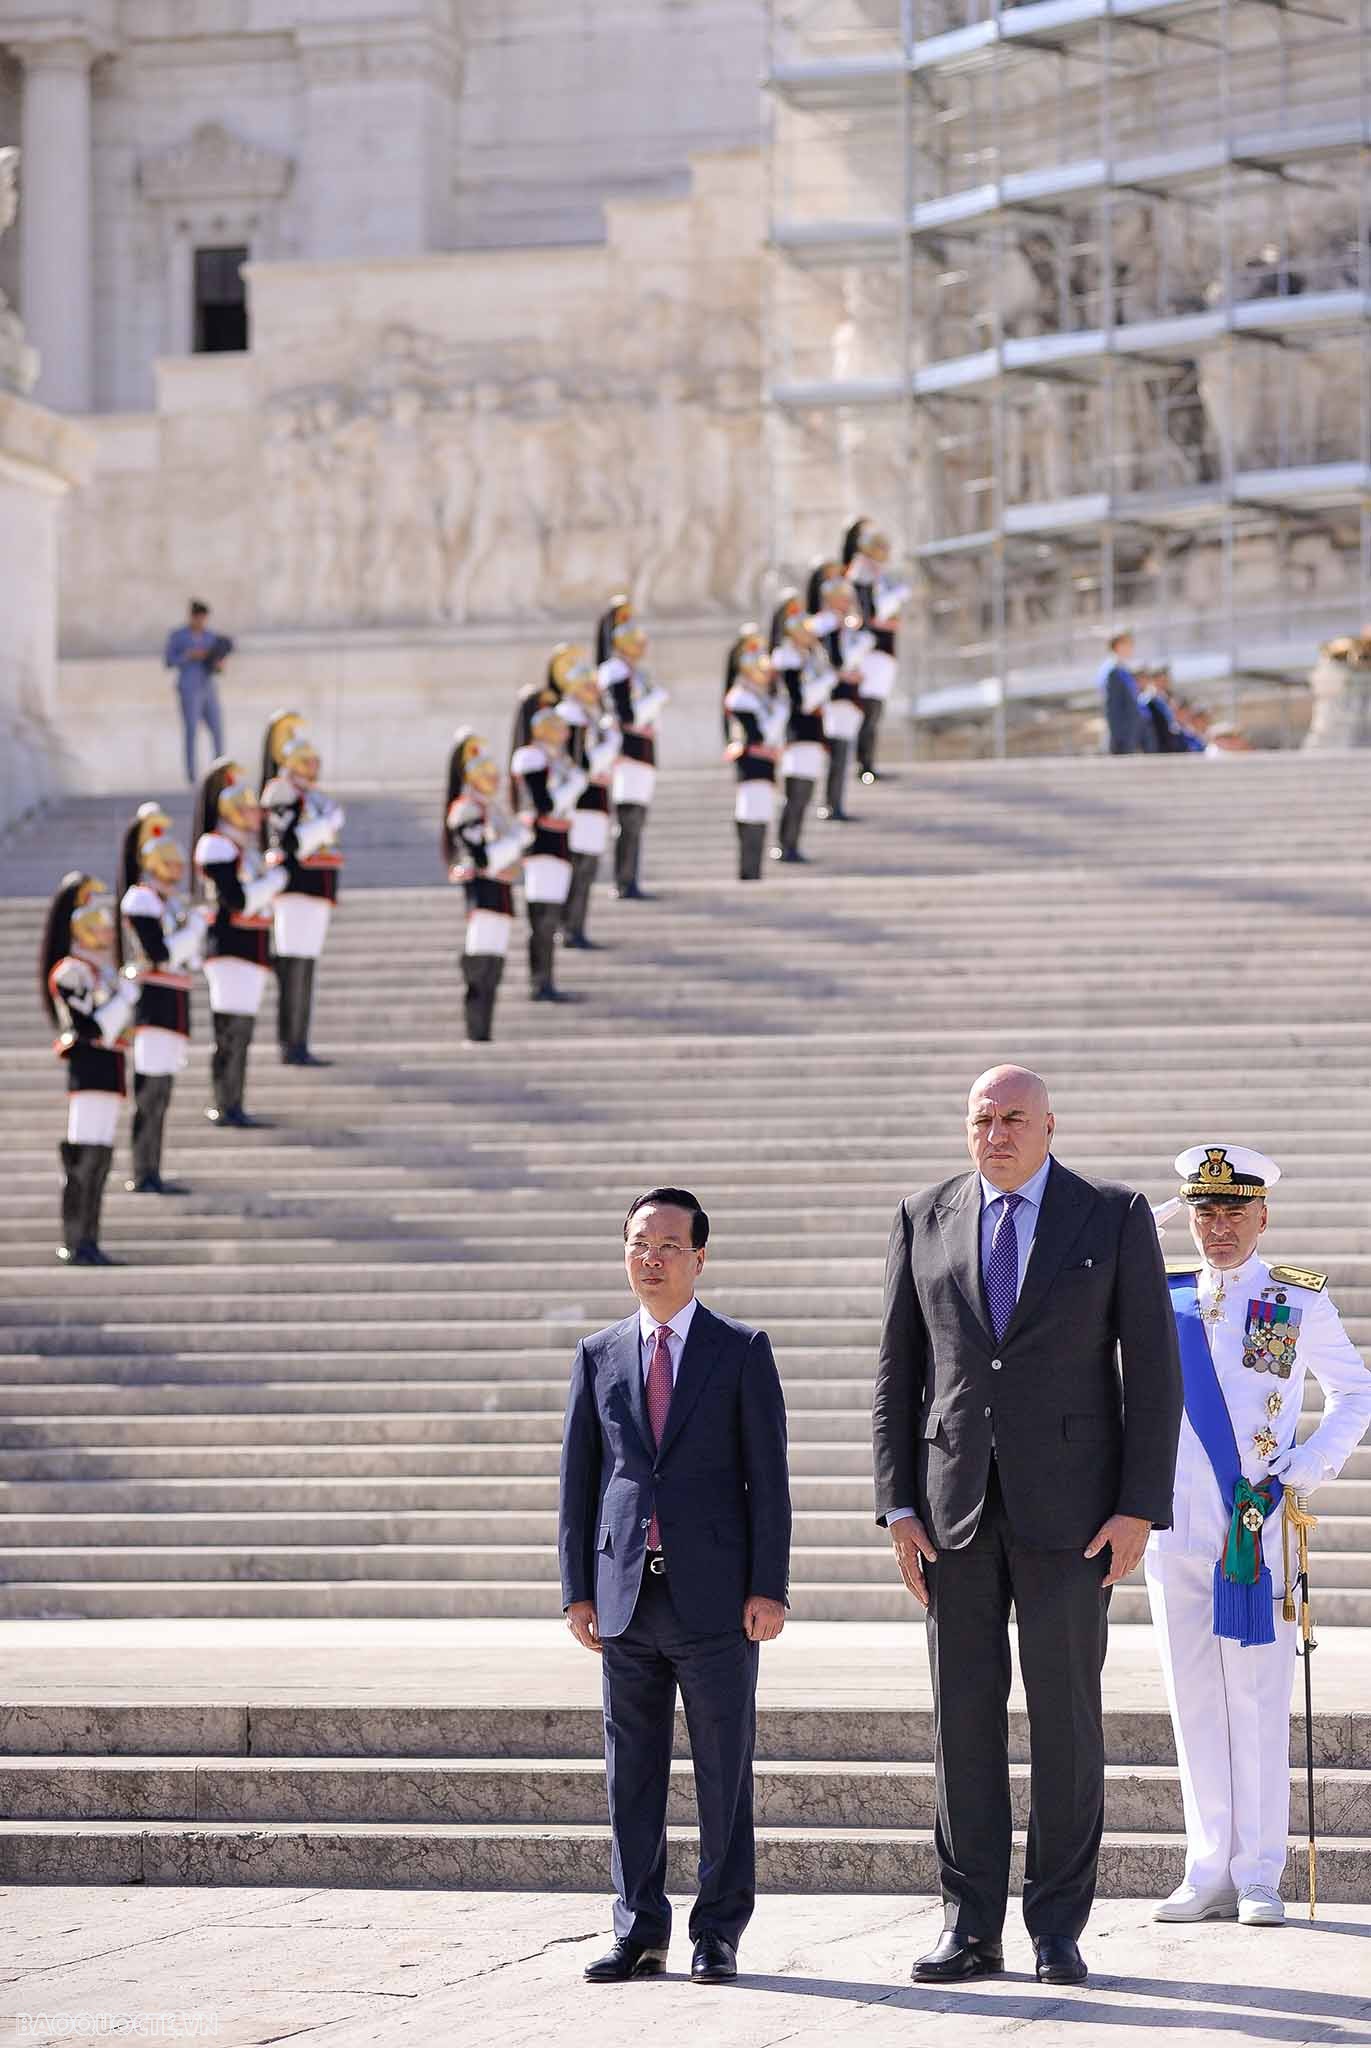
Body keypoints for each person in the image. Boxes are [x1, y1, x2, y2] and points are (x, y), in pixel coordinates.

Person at [872, 1065, 1182, 1986]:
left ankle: (1055, 1926)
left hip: (1074, 1516)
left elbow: (1153, 1374)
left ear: (1050, 1126)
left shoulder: (1110, 1213)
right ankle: (967, 1926)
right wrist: (896, 1503)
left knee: (1065, 1724)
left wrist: (1137, 1507)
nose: (996, 1133)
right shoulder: (921, 1215)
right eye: (982, 1118)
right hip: (951, 1516)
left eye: (1014, 1118)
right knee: (959, 1723)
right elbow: (898, 1371)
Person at [559, 1187, 791, 1986]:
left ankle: (717, 1931)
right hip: (625, 1596)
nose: (649, 1258)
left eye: (666, 1245)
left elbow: (769, 1479)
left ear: (699, 1257)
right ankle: (637, 1929)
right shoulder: (598, 1353)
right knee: (631, 1775)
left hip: (717, 1600)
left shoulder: (738, 1348)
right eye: (636, 1244)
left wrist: (768, 1586)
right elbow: (580, 1481)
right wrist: (576, 1590)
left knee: (723, 1772)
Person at [1147, 1144, 1371, 1927]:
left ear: (1262, 1216)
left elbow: (1353, 1391)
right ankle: (1204, 1869)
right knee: (1192, 1698)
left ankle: (1257, 1874)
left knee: (1255, 1695)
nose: (1217, 1227)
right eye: (1204, 1212)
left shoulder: (1291, 1299)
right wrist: (1144, 1224)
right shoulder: (1160, 1296)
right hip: (1174, 1518)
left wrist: (1303, 1469)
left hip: (1256, 1519)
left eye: (1232, 1212)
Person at [39, 873, 138, 1265]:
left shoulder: (102, 972)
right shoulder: (71, 971)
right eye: (97, 925)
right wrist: (124, 999)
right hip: (89, 1065)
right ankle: (75, 1238)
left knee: (101, 1154)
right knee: (83, 1153)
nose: (106, 933)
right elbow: (90, 1026)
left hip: (110, 1065)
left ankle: (90, 1239)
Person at [116, 802, 208, 1194]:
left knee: (163, 1091)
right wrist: (196, 929)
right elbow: (161, 953)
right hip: (152, 1002)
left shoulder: (168, 904)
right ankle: (142, 1169)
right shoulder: (141, 900)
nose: (175, 873)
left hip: (174, 1000)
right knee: (150, 1091)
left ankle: (152, 1167)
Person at [192, 758, 286, 1127]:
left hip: (253, 946)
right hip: (230, 946)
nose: (254, 815)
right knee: (229, 1028)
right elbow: (237, 899)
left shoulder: (243, 849)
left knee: (243, 1029)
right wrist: (274, 882)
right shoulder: (216, 846)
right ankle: (223, 1100)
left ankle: (235, 1099)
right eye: (245, 808)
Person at [260, 710, 345, 1067]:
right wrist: (326, 826)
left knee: (307, 964)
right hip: (295, 886)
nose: (313, 767)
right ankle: (289, 1041)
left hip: (318, 887)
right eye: (306, 761)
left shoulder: (315, 797)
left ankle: (300, 1039)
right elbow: (291, 840)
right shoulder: (282, 791)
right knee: (293, 963)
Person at [444, 728, 529, 1043]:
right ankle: (475, 1029)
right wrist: (516, 840)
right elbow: (481, 858)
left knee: (495, 962)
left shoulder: (491, 810)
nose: (493, 778)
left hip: (501, 893)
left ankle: (484, 1029)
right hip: (482, 893)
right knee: (480, 962)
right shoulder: (466, 809)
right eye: (486, 772)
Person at [511, 703, 585, 1002]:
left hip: (559, 840)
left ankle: (547, 978)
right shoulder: (531, 758)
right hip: (541, 841)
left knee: (552, 915)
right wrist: (575, 785)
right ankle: (538, 980)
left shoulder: (559, 760)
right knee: (541, 916)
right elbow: (545, 803)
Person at [556, 648, 620, 950]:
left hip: (594, 799)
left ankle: (575, 924)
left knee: (588, 866)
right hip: (580, 802)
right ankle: (569, 925)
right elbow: (581, 763)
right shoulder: (570, 716)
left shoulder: (588, 716)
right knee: (580, 865)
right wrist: (612, 743)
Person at [601, 620, 668, 900]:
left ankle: (631, 877)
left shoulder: (637, 672)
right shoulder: (614, 670)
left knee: (638, 818)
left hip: (643, 749)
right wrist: (655, 700)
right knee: (628, 817)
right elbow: (626, 715)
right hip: (627, 750)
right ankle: (623, 879)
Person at [842, 517, 909, 784]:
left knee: (876, 709)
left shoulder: (880, 576)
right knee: (869, 710)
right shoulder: (860, 575)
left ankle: (868, 761)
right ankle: (863, 764)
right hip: (870, 650)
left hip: (884, 649)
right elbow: (866, 616)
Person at [722, 626, 789, 880]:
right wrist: (780, 712)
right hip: (751, 760)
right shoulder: (741, 697)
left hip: (765, 761)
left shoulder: (759, 697)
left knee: (762, 812)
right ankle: (747, 870)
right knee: (751, 811)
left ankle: (754, 869)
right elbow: (761, 734)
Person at [806, 560, 866, 821]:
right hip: (832, 695)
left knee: (843, 750)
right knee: (836, 750)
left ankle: (835, 801)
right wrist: (842, 672)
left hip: (847, 693)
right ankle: (831, 804)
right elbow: (828, 661)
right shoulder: (824, 625)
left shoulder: (845, 625)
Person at [164, 600, 234, 784]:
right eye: (199, 618)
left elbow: (217, 664)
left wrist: (218, 663)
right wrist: (189, 655)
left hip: (208, 688)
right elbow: (169, 660)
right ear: (192, 617)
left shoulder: (211, 637)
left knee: (218, 730)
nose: (202, 622)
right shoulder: (179, 636)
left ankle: (219, 773)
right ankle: (192, 777)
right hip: (189, 688)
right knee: (191, 732)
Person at [1098, 629, 1153, 755]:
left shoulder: (1122, 669)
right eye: (1128, 644)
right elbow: (1113, 707)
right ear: (1118, 645)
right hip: (1123, 737)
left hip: (1131, 735)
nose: (1131, 648)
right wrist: (1120, 738)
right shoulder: (1112, 671)